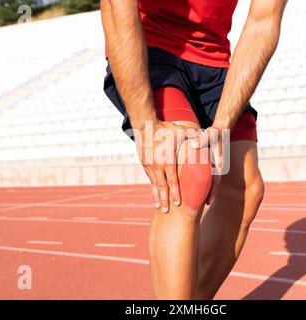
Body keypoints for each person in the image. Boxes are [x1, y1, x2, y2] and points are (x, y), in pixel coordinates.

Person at [102, 0, 288, 300]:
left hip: (214, 59)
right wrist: (145, 122)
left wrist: (221, 127)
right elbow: (115, 4)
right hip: (153, 46)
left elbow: (262, 23)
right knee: (190, 173)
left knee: (244, 189)